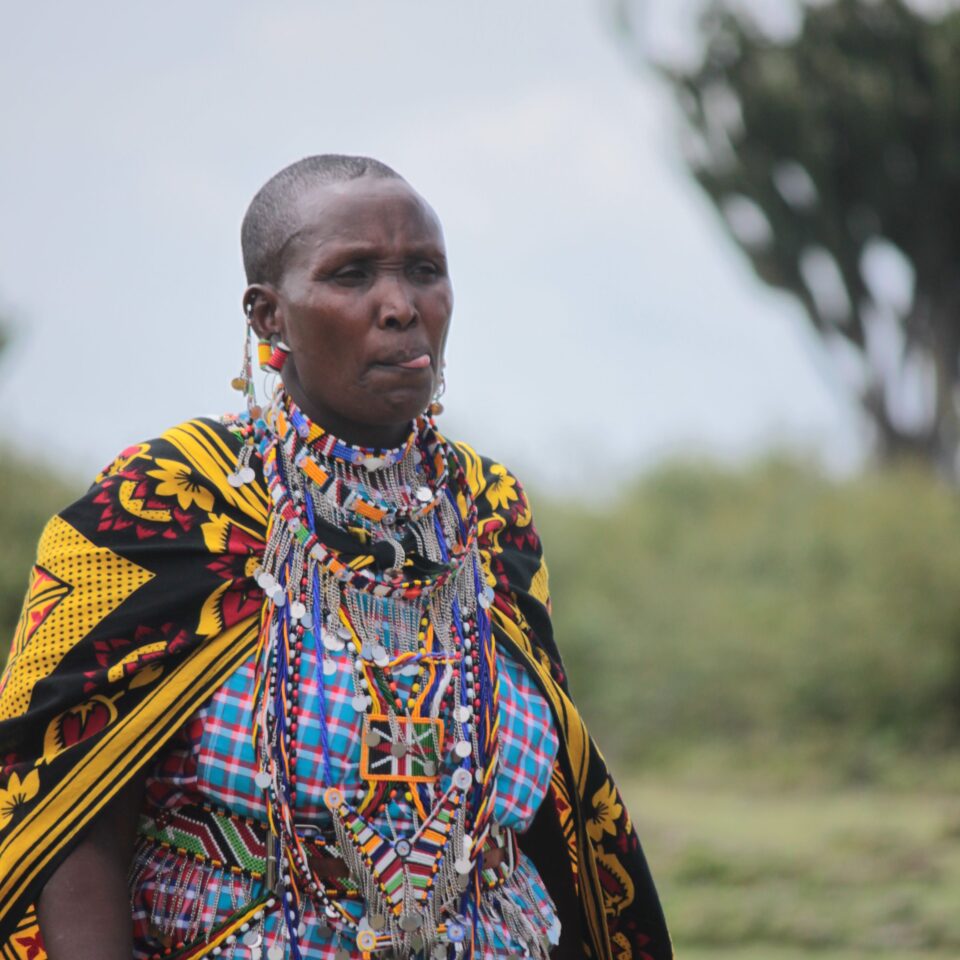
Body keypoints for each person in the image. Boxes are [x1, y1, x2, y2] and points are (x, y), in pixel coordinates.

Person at [0, 156, 671, 960]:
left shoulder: (491, 514)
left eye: (425, 271)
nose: (401, 307)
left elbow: (551, 814)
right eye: (352, 276)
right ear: (268, 315)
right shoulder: (170, 502)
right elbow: (68, 805)